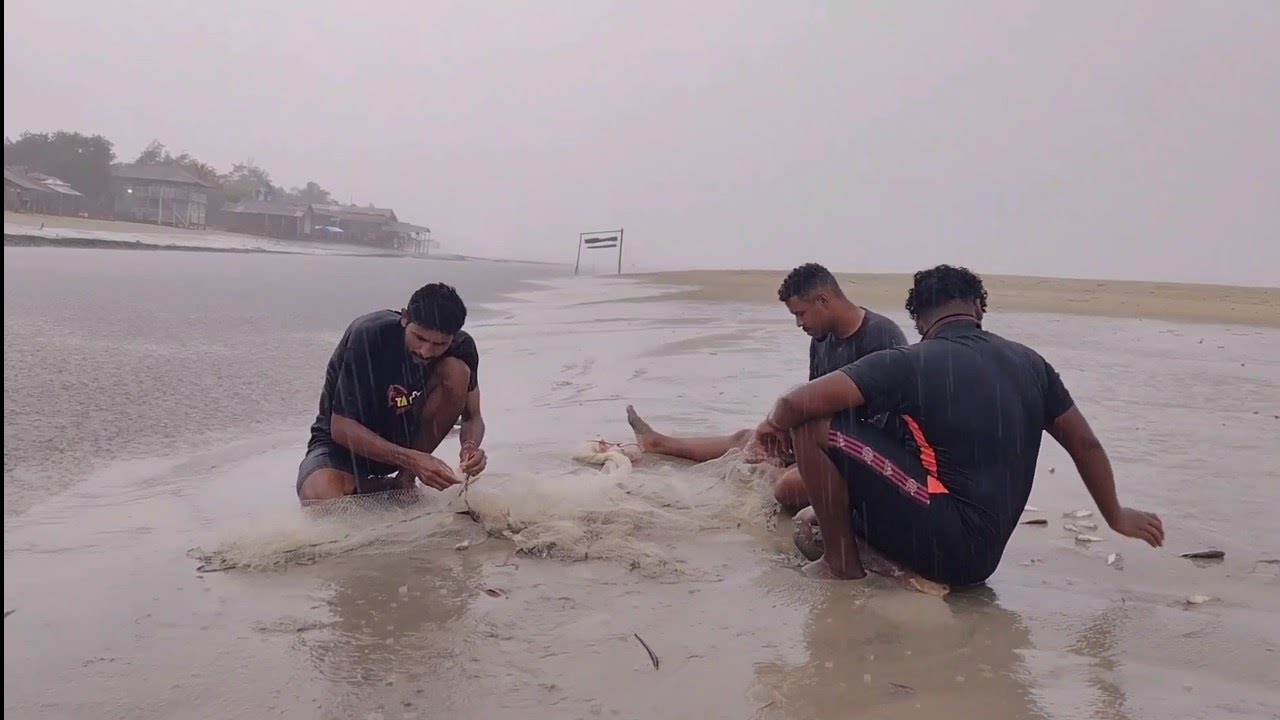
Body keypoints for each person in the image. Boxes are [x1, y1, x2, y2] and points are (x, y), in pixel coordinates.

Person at [754, 264, 1164, 586]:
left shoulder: (912, 362)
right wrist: (1115, 514)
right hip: (985, 561)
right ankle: (888, 565)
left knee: (810, 426)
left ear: (919, 322)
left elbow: (795, 403)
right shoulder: (1031, 364)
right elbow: (1085, 444)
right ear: (979, 308)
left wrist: (771, 425)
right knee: (811, 521)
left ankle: (842, 567)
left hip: (945, 544)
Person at [627, 263, 907, 511]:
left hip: (868, 453)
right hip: (825, 437)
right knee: (748, 438)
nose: (799, 323)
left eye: (801, 314)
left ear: (823, 300)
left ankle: (777, 472)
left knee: (786, 488)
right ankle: (658, 442)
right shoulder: (822, 340)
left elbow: (885, 423)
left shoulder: (881, 337)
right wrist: (789, 435)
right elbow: (814, 399)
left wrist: (809, 452)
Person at [296, 283, 488, 502]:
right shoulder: (370, 334)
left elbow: (472, 417)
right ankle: (370, 485)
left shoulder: (462, 346)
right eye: (420, 338)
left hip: (406, 441)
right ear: (405, 318)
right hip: (343, 445)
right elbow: (340, 427)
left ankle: (405, 480)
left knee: (457, 370)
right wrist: (412, 459)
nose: (426, 352)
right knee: (318, 495)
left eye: (440, 344)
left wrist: (471, 447)